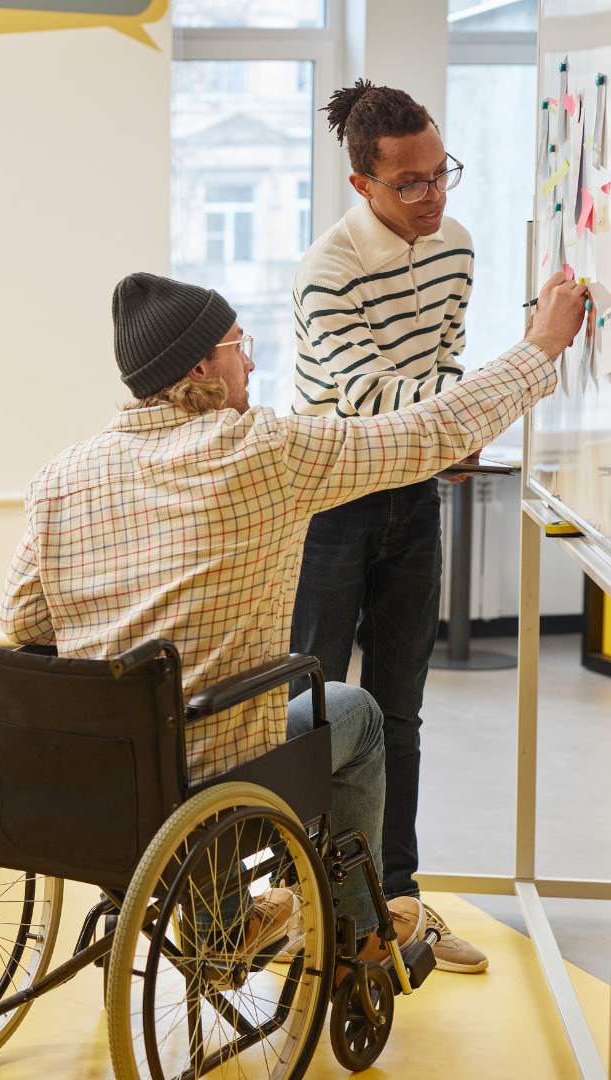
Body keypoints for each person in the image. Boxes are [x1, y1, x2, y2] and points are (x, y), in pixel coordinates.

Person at [1, 271, 584, 967]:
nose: (249, 360)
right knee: (358, 715)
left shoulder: (61, 476)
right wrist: (543, 344)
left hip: (98, 773)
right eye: (238, 344)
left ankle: (229, 915)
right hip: (211, 776)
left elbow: (23, 617)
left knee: (182, 721)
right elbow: (430, 431)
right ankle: (358, 929)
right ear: (199, 366)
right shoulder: (263, 451)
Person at [289, 81, 484, 972]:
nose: (434, 195)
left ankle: (395, 904)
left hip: (415, 492)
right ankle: (299, 902)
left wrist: (456, 420)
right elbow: (371, 398)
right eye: (410, 183)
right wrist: (471, 416)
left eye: (440, 172)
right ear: (363, 182)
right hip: (331, 498)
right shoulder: (326, 268)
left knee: (400, 712)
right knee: (314, 716)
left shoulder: (458, 247)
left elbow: (442, 361)